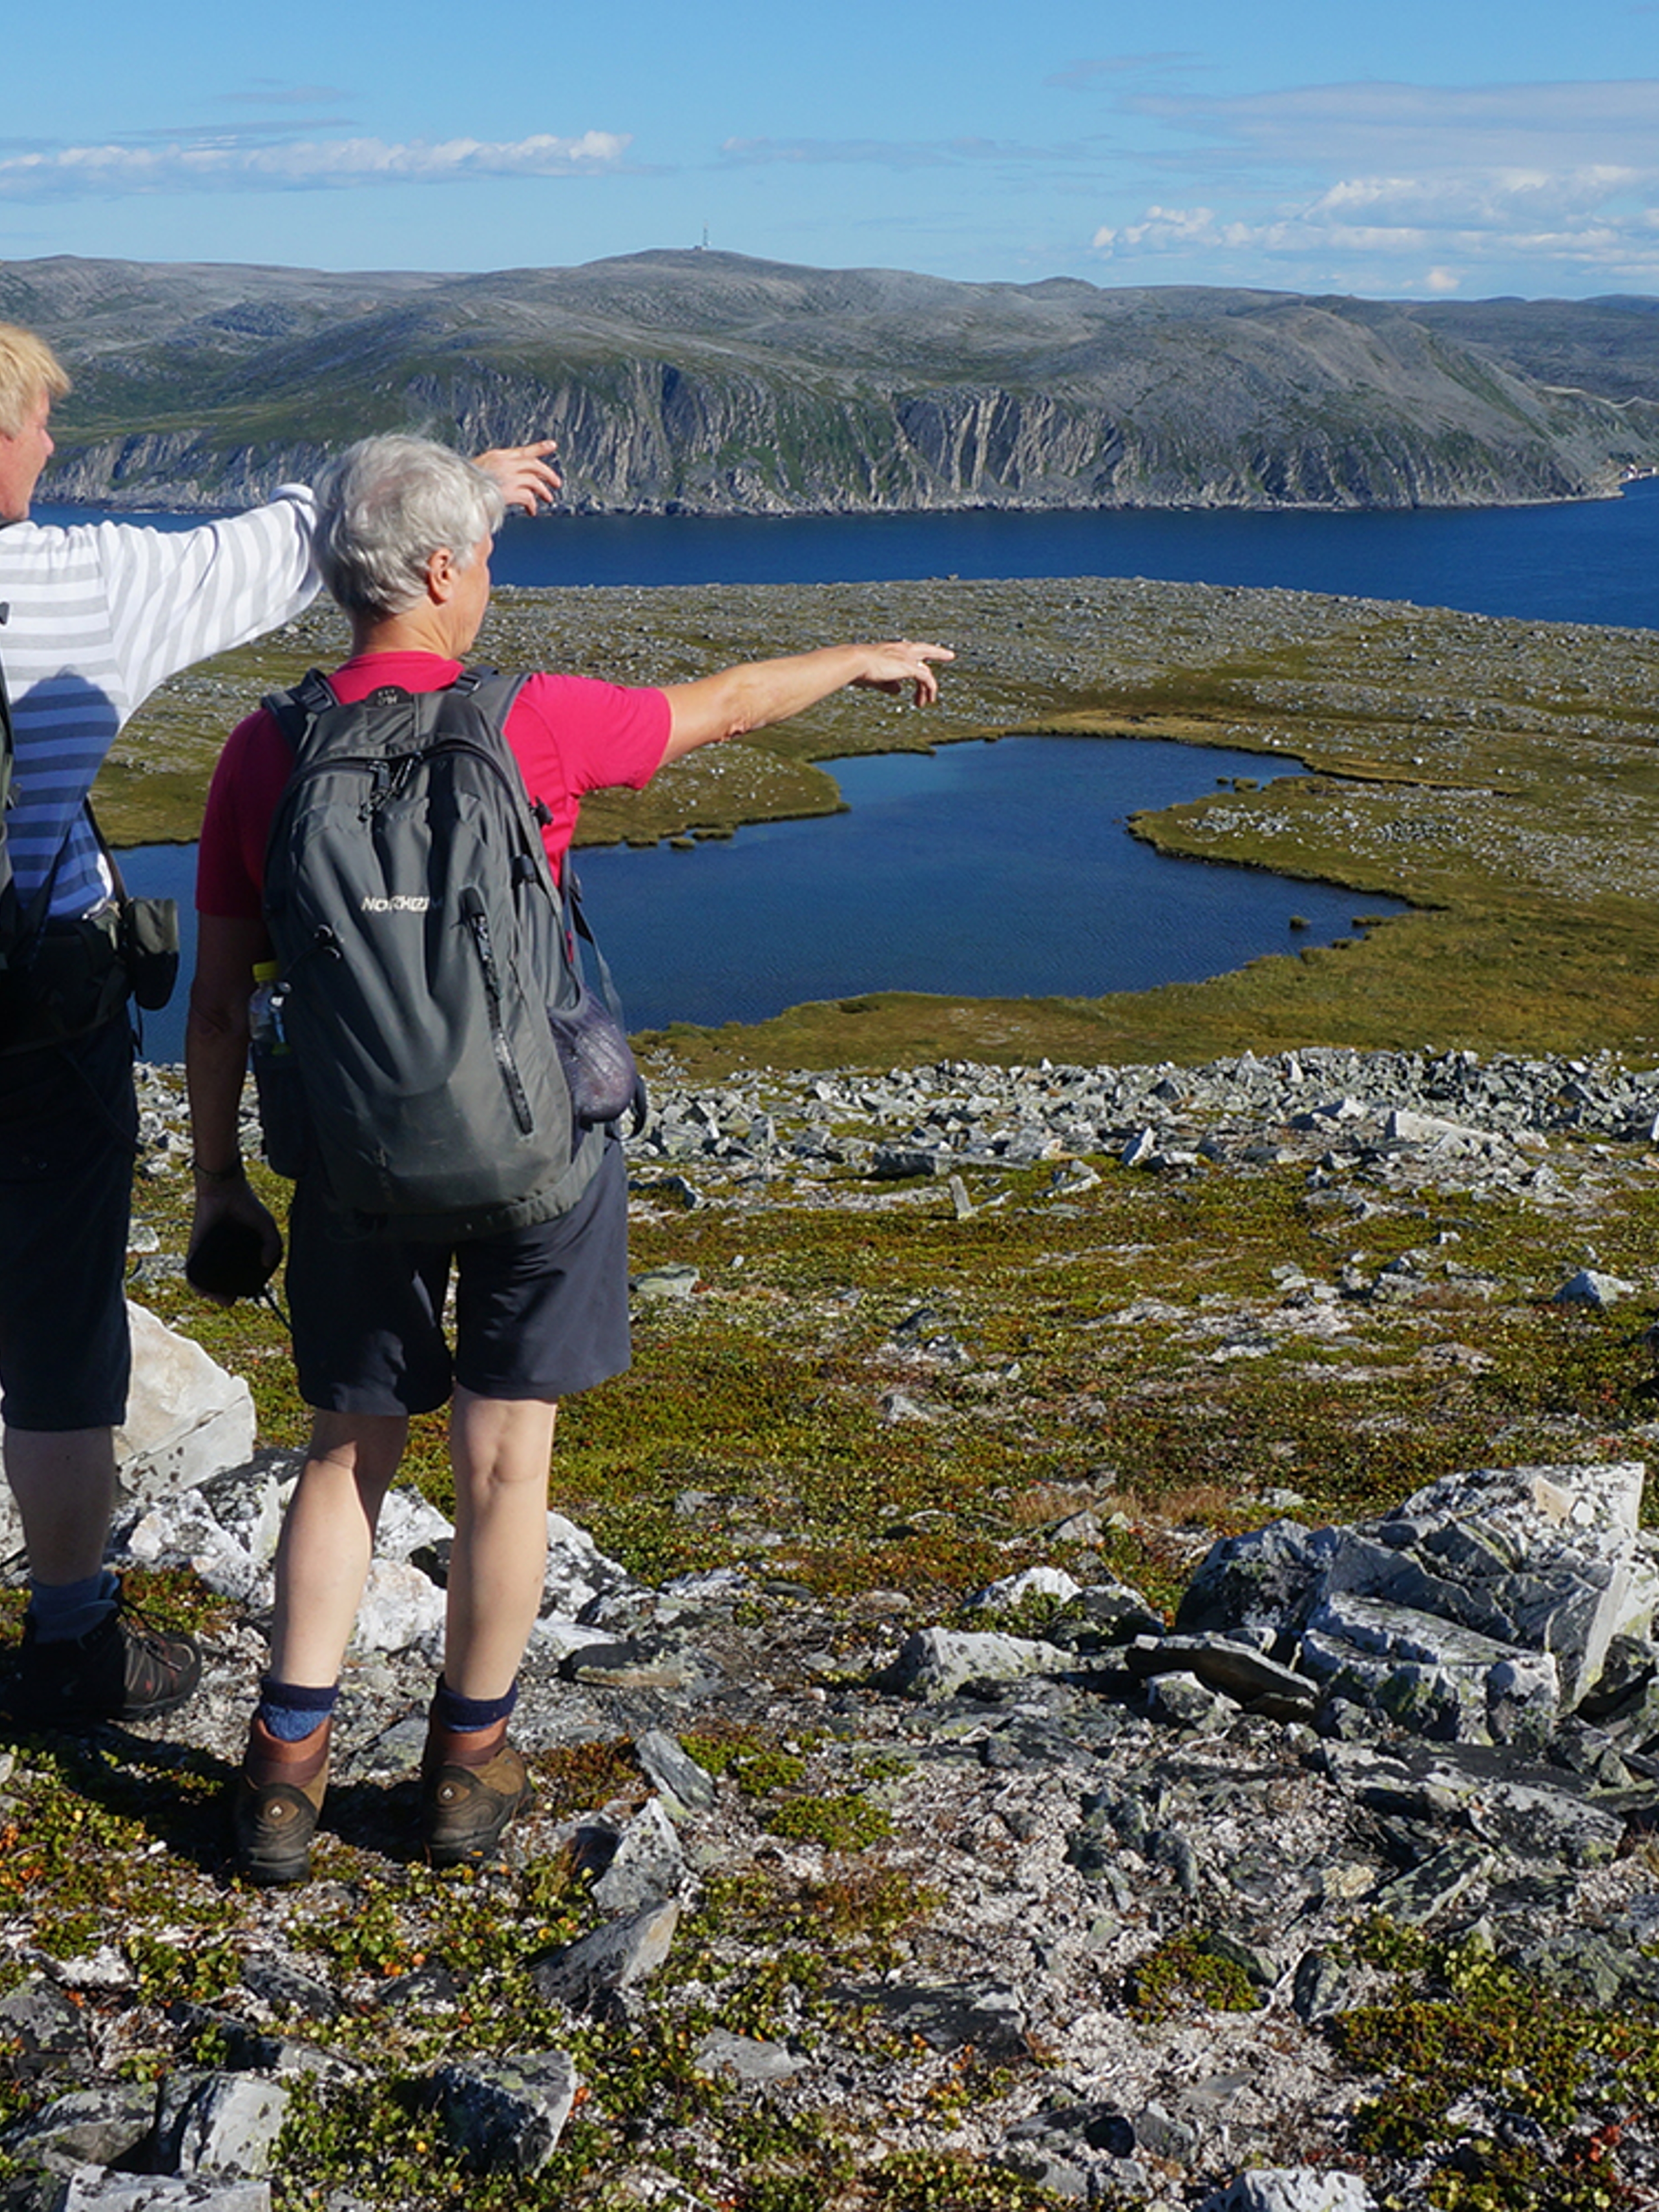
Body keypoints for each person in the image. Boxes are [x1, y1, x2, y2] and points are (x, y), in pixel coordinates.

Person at [186, 432, 950, 1881]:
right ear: (437, 570)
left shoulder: (263, 750)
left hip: (350, 1166)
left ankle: (284, 1778)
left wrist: (224, 1183)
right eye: (478, 555)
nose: (489, 578)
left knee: (346, 1457)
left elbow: (221, 1004)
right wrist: (857, 656)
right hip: (539, 1158)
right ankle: (467, 1767)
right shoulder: (534, 723)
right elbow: (719, 708)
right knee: (503, 1462)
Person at [0, 322, 559, 1732]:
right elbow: (289, 544)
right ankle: (69, 1639)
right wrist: (463, 498)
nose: (53, 448)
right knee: (58, 1334)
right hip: (35, 1020)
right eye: (38, 424)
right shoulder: (77, 587)